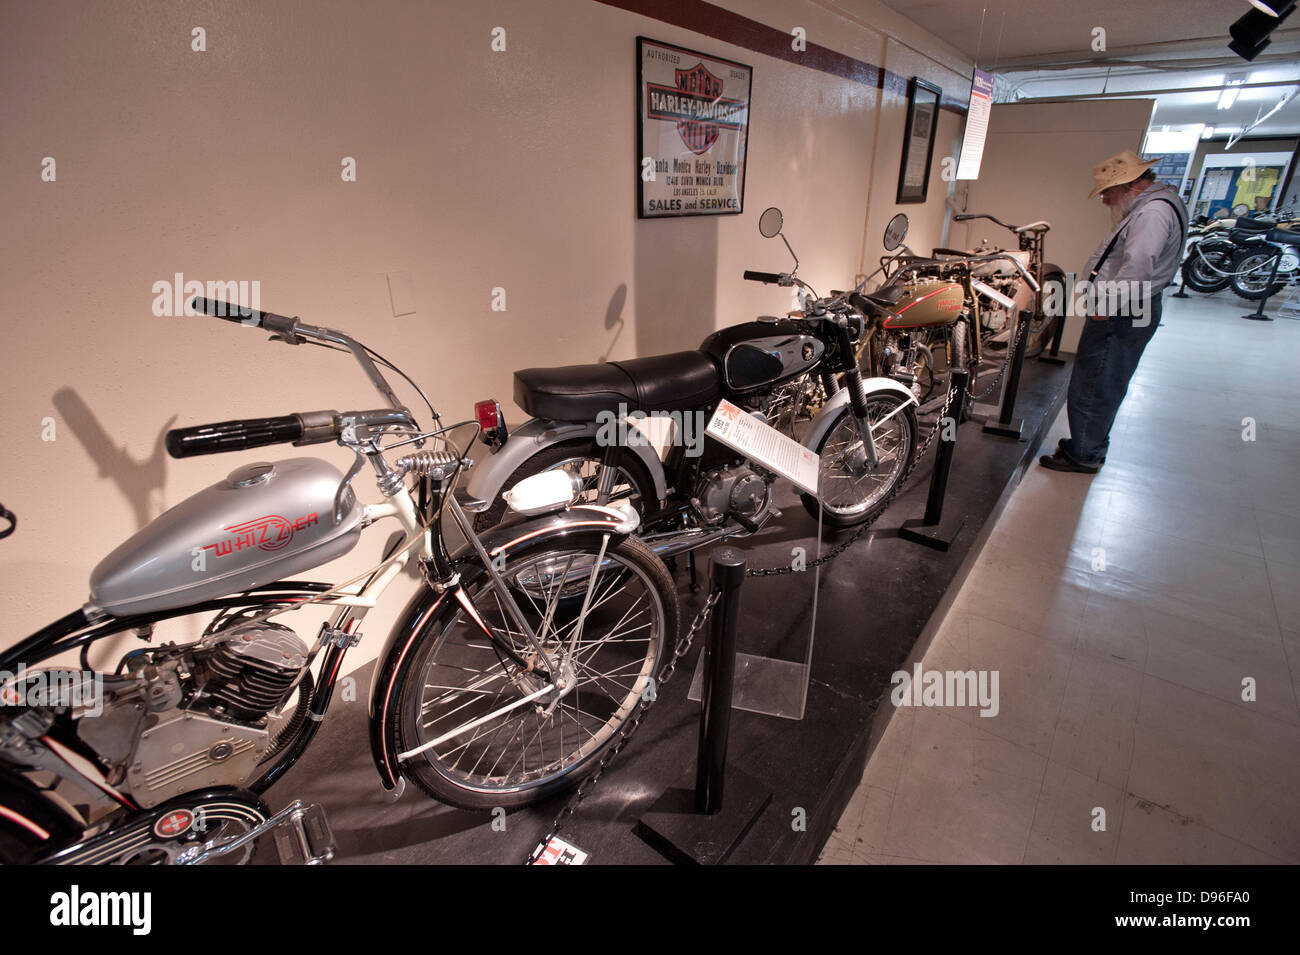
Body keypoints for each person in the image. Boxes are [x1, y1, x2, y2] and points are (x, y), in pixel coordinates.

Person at [1039, 149, 1188, 473]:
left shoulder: (1152, 214)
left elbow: (1138, 265)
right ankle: (1089, 445)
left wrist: (1106, 305)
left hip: (1125, 310)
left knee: (1096, 381)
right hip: (1132, 307)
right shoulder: (1154, 207)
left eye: (1106, 192)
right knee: (1105, 379)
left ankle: (1083, 454)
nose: (1104, 200)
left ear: (1127, 185)